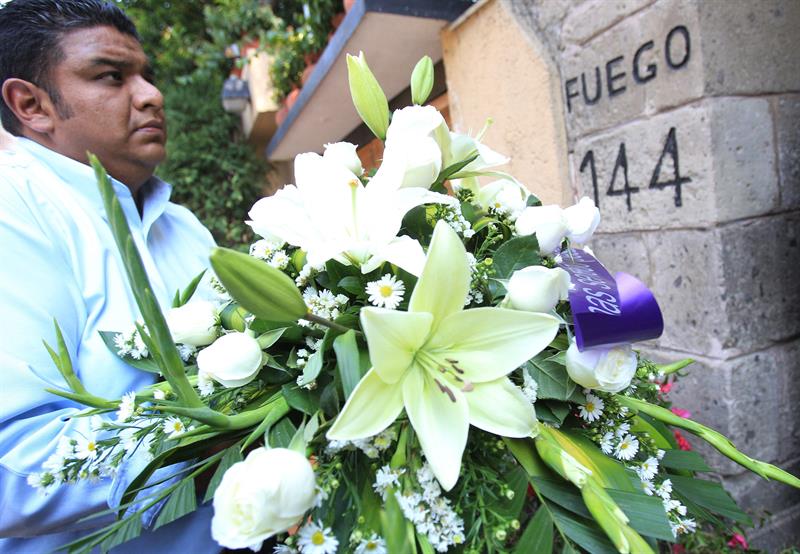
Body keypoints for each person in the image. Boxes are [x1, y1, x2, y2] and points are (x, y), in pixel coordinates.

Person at [0, 1, 221, 551]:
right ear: (31, 104)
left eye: (147, 75)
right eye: (111, 76)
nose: (151, 95)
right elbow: (13, 471)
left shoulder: (183, 224)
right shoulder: (15, 214)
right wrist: (217, 430)